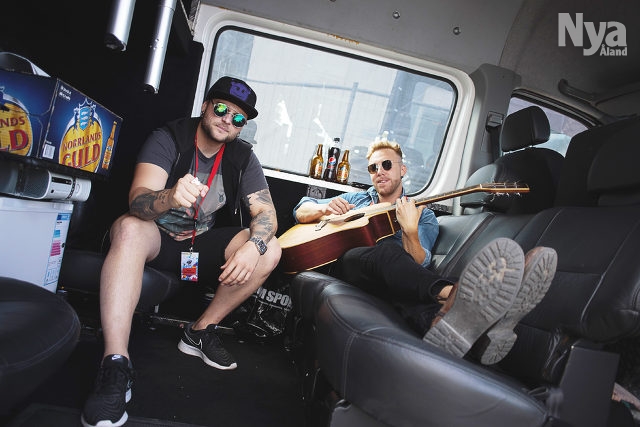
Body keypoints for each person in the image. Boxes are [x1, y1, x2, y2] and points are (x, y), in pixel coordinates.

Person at [81, 76, 281, 427]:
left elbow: (266, 213)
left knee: (270, 248)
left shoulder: (242, 156)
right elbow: (137, 202)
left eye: (238, 118)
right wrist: (170, 196)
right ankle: (115, 363)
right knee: (128, 227)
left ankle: (200, 331)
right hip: (155, 237)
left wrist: (255, 245)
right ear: (205, 106)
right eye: (221, 109)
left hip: (198, 245)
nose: (227, 120)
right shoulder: (169, 137)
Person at [292, 134, 556, 364]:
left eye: (387, 165)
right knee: (386, 253)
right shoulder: (357, 198)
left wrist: (409, 230)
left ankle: (470, 334)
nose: (379, 171)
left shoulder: (423, 214)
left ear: (402, 170)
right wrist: (324, 210)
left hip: (391, 283)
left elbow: (418, 263)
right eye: (373, 168)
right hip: (349, 266)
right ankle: (456, 293)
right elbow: (300, 209)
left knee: (405, 294)